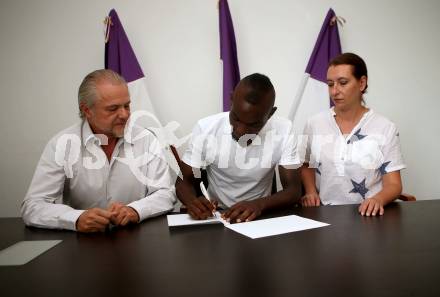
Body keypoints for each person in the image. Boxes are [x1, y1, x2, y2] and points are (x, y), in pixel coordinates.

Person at [21, 69, 175, 232]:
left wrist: (135, 210)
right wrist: (76, 218)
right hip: (83, 245)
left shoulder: (146, 139)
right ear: (87, 110)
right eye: (113, 108)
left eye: (127, 105)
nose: (124, 114)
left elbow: (165, 194)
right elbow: (33, 205)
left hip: (137, 240)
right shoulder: (62, 144)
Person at [176, 73, 301, 223]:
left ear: (270, 114)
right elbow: (183, 181)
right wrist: (192, 202)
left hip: (261, 214)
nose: (240, 131)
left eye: (253, 124)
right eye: (236, 118)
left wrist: (260, 205)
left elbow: (293, 191)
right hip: (217, 214)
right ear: (231, 99)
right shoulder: (206, 128)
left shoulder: (284, 130)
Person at [300, 53, 405, 216]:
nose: (335, 91)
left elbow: (394, 184)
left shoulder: (385, 127)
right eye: (330, 84)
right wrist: (310, 191)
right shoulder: (314, 123)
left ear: (362, 83)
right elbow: (306, 164)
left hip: (368, 215)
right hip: (324, 214)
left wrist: (378, 199)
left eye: (342, 83)